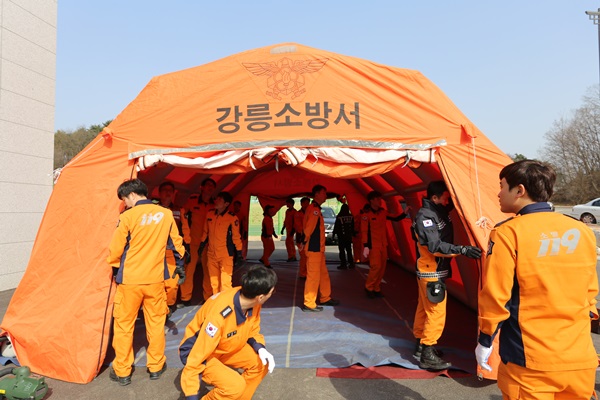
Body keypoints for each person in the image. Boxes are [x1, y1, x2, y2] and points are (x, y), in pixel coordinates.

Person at [476, 160, 598, 399]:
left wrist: (485, 339)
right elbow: (590, 292)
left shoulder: (508, 233)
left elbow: (496, 296)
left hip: (531, 362)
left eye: (502, 186)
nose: (498, 193)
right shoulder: (581, 230)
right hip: (579, 357)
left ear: (519, 190)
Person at [106, 179, 186, 386]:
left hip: (130, 281)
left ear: (132, 195)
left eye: (124, 199)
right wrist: (180, 266)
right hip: (155, 280)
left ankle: (123, 371)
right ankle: (156, 366)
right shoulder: (166, 214)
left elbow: (116, 249)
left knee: (124, 326)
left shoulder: (127, 216)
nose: (125, 203)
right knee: (156, 324)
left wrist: (115, 268)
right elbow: (177, 245)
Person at [412, 180, 482, 370]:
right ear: (434, 198)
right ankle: (427, 352)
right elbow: (434, 246)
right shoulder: (426, 216)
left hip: (431, 270)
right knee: (436, 312)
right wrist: (462, 250)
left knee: (424, 308)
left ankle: (420, 346)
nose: (447, 202)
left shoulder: (437, 210)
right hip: (431, 271)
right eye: (444, 198)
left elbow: (450, 205)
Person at [179, 265, 277, 400]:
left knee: (261, 364)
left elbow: (252, 329)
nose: (272, 294)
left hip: (225, 346)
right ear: (260, 297)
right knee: (235, 386)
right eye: (272, 292)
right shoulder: (219, 315)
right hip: (201, 352)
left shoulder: (251, 301)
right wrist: (191, 395)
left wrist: (260, 348)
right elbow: (196, 357)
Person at [299, 185, 339, 312]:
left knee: (323, 275)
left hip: (318, 249)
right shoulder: (314, 210)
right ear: (316, 194)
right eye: (323, 193)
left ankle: (325, 297)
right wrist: (303, 242)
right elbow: (309, 228)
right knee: (313, 276)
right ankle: (309, 303)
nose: (326, 195)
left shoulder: (315, 209)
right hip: (313, 249)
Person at [361, 191, 409, 298]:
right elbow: (364, 231)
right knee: (376, 267)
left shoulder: (383, 212)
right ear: (371, 201)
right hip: (373, 246)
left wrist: (405, 213)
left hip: (383, 245)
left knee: (382, 267)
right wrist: (366, 246)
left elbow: (395, 217)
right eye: (377, 199)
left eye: (380, 199)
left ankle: (376, 288)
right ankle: (369, 287)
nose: (380, 201)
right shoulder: (366, 215)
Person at [198, 191, 244, 296]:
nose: (216, 201)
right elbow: (205, 232)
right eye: (217, 198)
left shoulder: (232, 218)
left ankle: (225, 303)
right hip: (211, 254)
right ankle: (216, 303)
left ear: (226, 204)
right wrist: (201, 245)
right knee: (214, 283)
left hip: (225, 255)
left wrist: (239, 253)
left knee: (225, 283)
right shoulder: (210, 214)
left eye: (220, 199)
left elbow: (236, 237)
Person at [180, 178, 216, 307]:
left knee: (209, 271)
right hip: (193, 242)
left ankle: (208, 297)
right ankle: (185, 298)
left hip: (208, 244)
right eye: (208, 185)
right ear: (202, 187)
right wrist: (186, 236)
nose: (210, 188)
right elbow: (183, 214)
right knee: (189, 270)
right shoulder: (192, 201)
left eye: (212, 186)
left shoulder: (215, 204)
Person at [157, 181, 191, 318]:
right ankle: (160, 309)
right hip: (155, 252)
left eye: (170, 190)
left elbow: (185, 229)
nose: (168, 193)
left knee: (172, 284)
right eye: (165, 190)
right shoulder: (153, 209)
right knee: (156, 284)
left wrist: (187, 247)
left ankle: (169, 306)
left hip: (172, 253)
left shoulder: (179, 210)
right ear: (159, 193)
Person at [333, 203, 354, 270]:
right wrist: (353, 234)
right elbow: (353, 226)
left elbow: (336, 226)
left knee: (342, 250)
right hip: (348, 236)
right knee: (349, 250)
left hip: (341, 236)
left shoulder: (340, 216)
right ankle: (351, 263)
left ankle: (343, 264)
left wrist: (334, 234)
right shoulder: (351, 216)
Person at [294, 196, 311, 279]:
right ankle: (303, 273)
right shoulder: (298, 214)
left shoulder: (310, 213)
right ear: (301, 204)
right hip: (301, 238)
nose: (307, 204)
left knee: (308, 256)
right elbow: (298, 227)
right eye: (305, 203)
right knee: (303, 256)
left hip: (308, 238)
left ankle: (307, 272)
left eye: (308, 203)